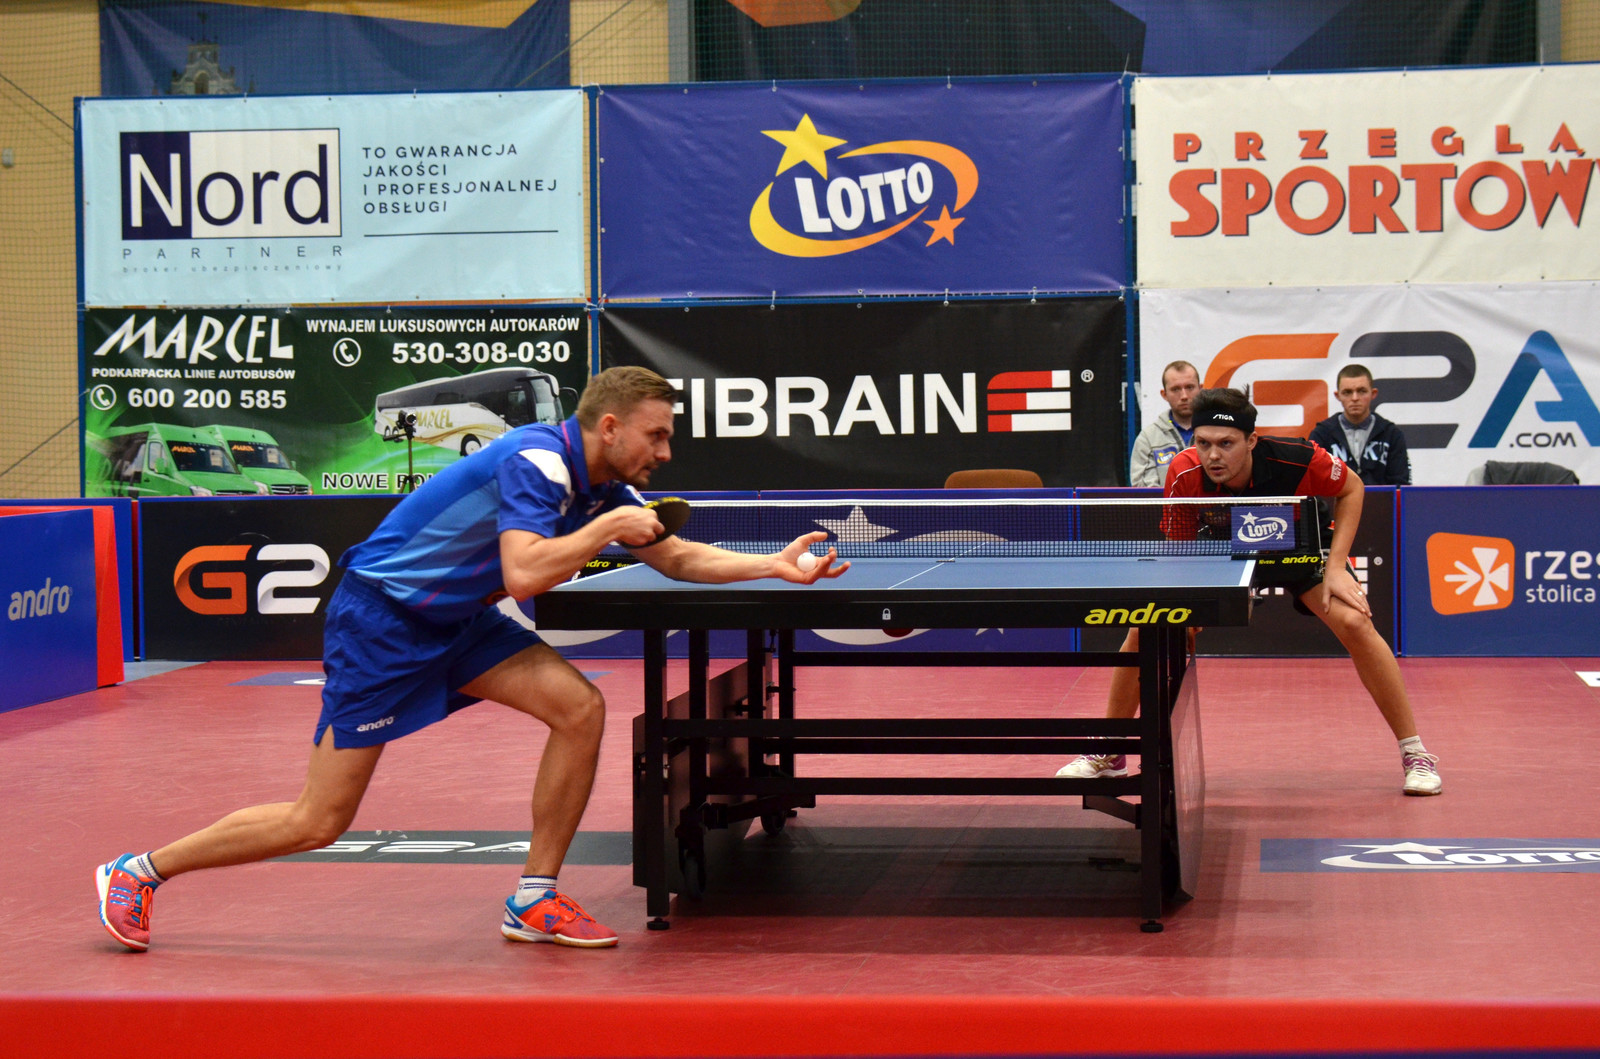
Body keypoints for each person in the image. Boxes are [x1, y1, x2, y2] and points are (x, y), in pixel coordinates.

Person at [95, 366, 850, 952]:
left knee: (578, 707)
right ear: (610, 426)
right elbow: (524, 574)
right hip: (382, 622)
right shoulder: (537, 462)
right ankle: (139, 870)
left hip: (457, 621)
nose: (665, 451)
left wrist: (771, 566)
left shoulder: (603, 486)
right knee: (319, 819)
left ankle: (534, 897)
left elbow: (675, 557)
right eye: (655, 436)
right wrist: (608, 528)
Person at [1056, 387, 1442, 796]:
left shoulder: (1296, 458)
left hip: (1299, 548)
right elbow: (1179, 548)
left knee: (1356, 623)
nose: (1213, 456)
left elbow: (1352, 488)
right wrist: (1186, 604)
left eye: (1226, 444)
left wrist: (1334, 568)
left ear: (1251, 440)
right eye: (1203, 443)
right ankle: (1111, 751)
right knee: (1144, 628)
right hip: (1222, 552)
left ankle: (1415, 753)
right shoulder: (1185, 472)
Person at [1307, 364, 1411, 485]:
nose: (1355, 398)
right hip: (1336, 498)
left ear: (1373, 393)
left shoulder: (1391, 434)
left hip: (1380, 498)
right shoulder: (1322, 434)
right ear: (1338, 395)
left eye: (1362, 391)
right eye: (1347, 392)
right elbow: (1312, 482)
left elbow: (1401, 485)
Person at [1129, 361, 1201, 487]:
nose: (1184, 396)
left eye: (1190, 387)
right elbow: (1145, 491)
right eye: (1176, 389)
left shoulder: (1217, 431)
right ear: (1164, 394)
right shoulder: (1148, 438)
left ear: (1201, 389)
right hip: (1166, 501)